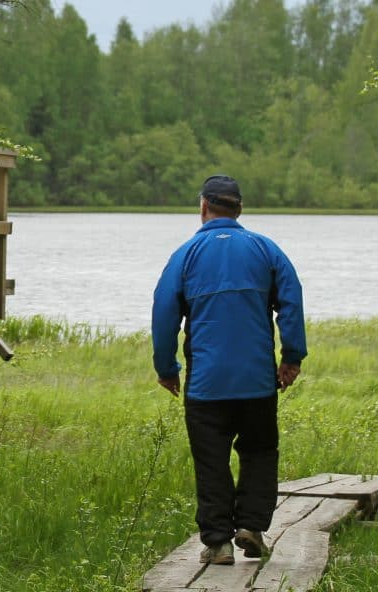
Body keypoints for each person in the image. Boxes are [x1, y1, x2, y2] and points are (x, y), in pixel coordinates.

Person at [151, 174, 307, 566]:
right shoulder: (265, 249)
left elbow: (164, 313)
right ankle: (251, 528)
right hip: (257, 382)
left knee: (211, 460)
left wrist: (166, 366)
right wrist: (292, 358)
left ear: (204, 206)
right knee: (259, 452)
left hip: (205, 385)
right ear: (239, 209)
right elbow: (292, 300)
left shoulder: (185, 254)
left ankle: (218, 543)